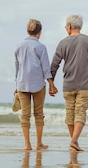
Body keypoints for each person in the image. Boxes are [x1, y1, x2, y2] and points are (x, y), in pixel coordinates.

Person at [50, 15, 88, 151]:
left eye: (65, 26)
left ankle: (74, 142)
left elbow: (54, 65)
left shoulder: (63, 43)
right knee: (80, 112)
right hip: (85, 85)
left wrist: (51, 84)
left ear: (69, 26)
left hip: (68, 85)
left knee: (70, 113)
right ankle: (74, 141)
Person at [15, 19, 57, 150]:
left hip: (22, 84)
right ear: (39, 33)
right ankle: (39, 143)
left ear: (28, 31)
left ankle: (27, 144)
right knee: (38, 114)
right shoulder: (41, 47)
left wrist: (16, 84)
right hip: (38, 84)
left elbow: (17, 67)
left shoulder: (19, 46)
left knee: (25, 115)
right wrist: (51, 84)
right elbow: (45, 68)